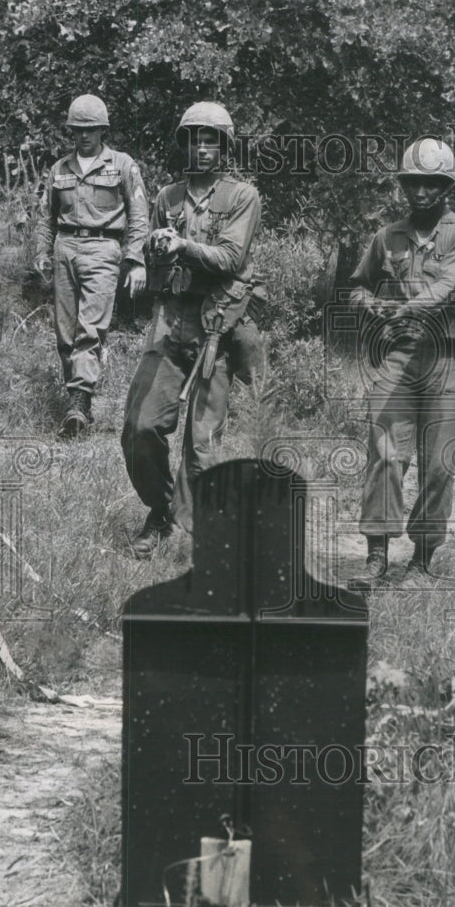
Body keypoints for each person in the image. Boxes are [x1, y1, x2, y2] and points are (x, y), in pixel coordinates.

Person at [347, 136, 455, 590]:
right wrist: (368, 304)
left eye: (432, 184)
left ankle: (422, 562)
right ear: (404, 185)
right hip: (400, 356)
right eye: (414, 183)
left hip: (447, 356)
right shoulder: (387, 236)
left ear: (447, 186)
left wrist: (401, 308)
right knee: (385, 454)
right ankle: (375, 557)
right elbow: (357, 287)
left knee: (439, 463)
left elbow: (445, 291)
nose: (422, 193)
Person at [121, 102, 263, 559]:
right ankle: (160, 510)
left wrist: (183, 243)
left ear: (224, 147)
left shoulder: (242, 196)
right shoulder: (168, 196)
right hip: (170, 320)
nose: (202, 148)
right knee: (139, 427)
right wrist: (157, 247)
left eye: (211, 140)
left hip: (215, 326)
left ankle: (195, 533)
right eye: (194, 139)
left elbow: (230, 259)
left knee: (202, 445)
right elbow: (158, 258)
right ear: (185, 144)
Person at [35, 94, 148, 438]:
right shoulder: (59, 168)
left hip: (103, 248)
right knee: (65, 333)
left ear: (103, 130)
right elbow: (45, 216)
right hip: (65, 248)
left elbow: (139, 214)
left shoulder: (123, 165)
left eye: (91, 130)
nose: (84, 136)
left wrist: (136, 259)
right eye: (77, 130)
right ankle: (77, 401)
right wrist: (41, 251)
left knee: (90, 329)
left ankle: (79, 404)